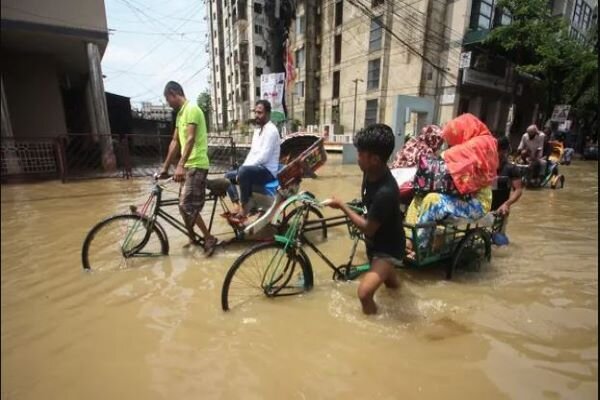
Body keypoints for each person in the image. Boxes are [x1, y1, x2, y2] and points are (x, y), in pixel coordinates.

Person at [325, 124, 404, 315]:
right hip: (376, 241)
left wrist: (342, 206)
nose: (357, 157)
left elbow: (368, 228)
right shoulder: (369, 172)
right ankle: (401, 296)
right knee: (393, 286)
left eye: (361, 154)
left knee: (364, 293)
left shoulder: (386, 191)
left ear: (375, 159)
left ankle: (376, 326)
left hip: (387, 248)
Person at [405, 113, 498, 254]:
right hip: (459, 195)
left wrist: (443, 157)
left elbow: (456, 157)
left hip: (476, 201)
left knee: (433, 200)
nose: (451, 145)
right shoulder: (467, 146)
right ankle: (409, 238)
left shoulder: (483, 143)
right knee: (419, 195)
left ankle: (421, 248)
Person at [158, 81, 218, 255]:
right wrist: (164, 167)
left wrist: (180, 165)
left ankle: (208, 238)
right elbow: (175, 141)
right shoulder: (179, 115)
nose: (168, 103)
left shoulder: (192, 109)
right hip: (188, 165)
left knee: (187, 205)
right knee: (181, 206)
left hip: (197, 164)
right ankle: (192, 237)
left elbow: (190, 139)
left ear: (173, 93)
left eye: (167, 99)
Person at [224, 100, 281, 223]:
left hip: (267, 171)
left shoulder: (271, 130)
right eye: (255, 112)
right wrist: (242, 169)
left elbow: (264, 157)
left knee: (243, 171)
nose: (256, 115)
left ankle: (246, 206)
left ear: (268, 113)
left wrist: (243, 171)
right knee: (228, 176)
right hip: (256, 169)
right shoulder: (257, 131)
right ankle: (236, 204)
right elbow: (252, 154)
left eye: (260, 113)